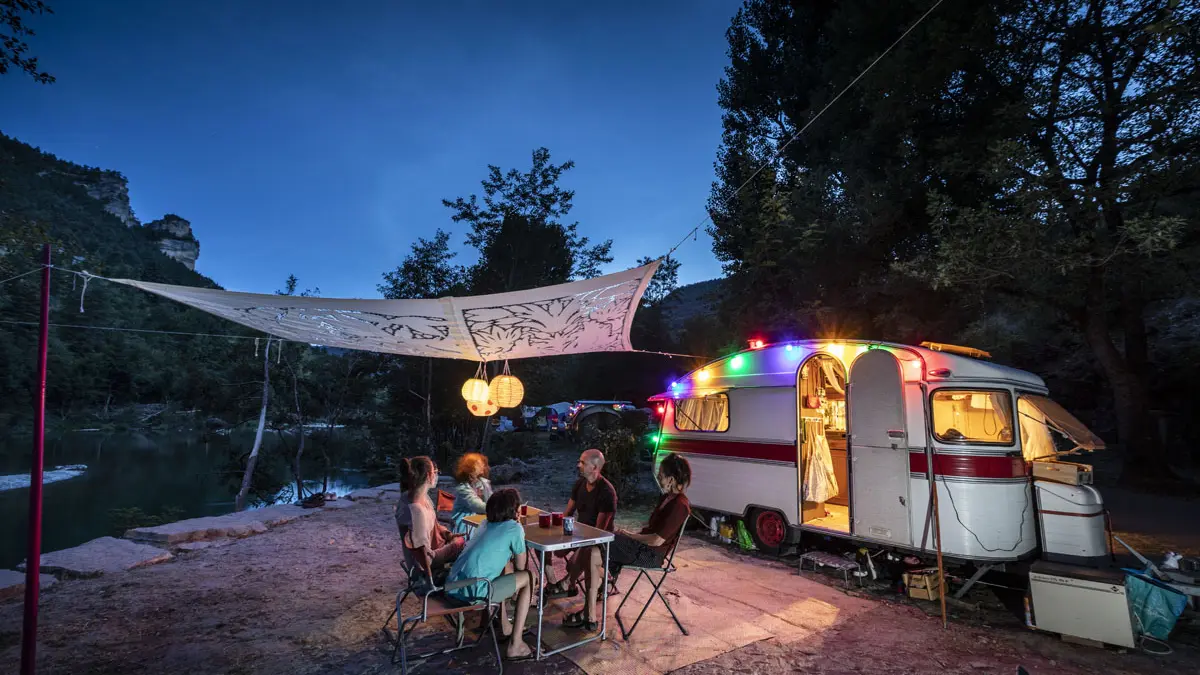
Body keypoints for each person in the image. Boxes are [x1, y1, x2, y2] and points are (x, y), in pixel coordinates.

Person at [562, 452, 691, 632]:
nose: (657, 477)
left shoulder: (680, 505)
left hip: (650, 555)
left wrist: (629, 535)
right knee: (593, 552)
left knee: (604, 539)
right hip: (640, 547)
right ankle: (589, 615)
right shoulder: (666, 498)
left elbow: (656, 540)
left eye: (661, 474)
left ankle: (587, 583)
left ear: (671, 478)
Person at [446, 488, 535, 661]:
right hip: (473, 592)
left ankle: (504, 626)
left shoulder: (484, 524)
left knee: (501, 568)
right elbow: (521, 566)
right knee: (529, 578)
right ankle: (516, 645)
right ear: (516, 511)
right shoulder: (514, 528)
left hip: (452, 586)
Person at [544, 449, 617, 599]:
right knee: (546, 542)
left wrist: (576, 546)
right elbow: (568, 513)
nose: (578, 465)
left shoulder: (607, 492)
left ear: (595, 467)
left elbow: (598, 532)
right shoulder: (579, 484)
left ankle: (568, 584)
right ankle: (552, 580)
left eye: (583, 463)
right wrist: (555, 532)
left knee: (573, 563)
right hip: (579, 534)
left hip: (598, 541)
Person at [399, 456, 465, 581]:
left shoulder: (420, 497)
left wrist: (447, 534)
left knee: (461, 542)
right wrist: (454, 546)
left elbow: (434, 525)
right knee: (464, 544)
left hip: (432, 552)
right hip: (424, 571)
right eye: (436, 472)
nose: (437, 475)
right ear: (429, 475)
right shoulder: (416, 511)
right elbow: (426, 559)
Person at [450, 452, 493, 533]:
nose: (482, 466)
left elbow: (491, 500)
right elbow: (477, 506)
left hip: (480, 522)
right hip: (465, 526)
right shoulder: (462, 488)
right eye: (478, 464)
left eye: (482, 464)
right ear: (469, 467)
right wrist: (501, 508)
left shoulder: (484, 483)